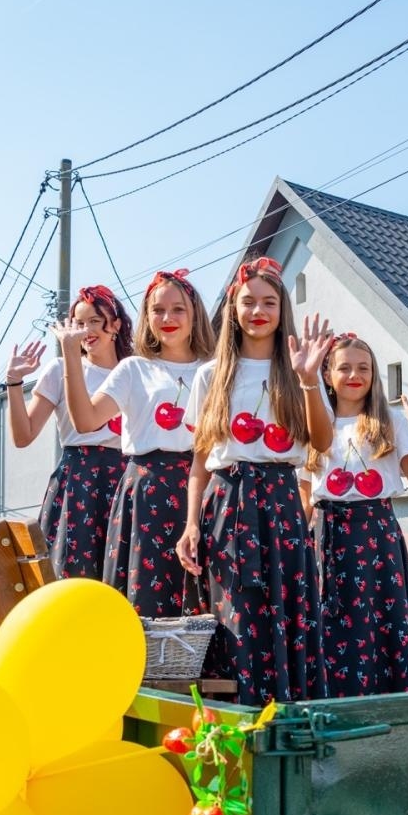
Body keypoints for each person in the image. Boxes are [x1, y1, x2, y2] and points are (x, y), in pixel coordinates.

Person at [175, 257, 336, 704]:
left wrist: (307, 382)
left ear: (283, 309)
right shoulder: (211, 375)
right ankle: (235, 722)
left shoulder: (300, 371)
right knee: (234, 617)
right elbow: (199, 464)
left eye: (269, 302)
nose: (258, 310)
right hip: (227, 504)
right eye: (248, 301)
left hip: (283, 504)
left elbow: (321, 442)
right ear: (233, 308)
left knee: (284, 615)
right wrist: (191, 524)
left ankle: (285, 719)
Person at [60, 268, 216, 616]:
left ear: (195, 315)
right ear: (146, 316)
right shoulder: (133, 369)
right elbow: (85, 420)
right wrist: (71, 354)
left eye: (178, 309)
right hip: (145, 491)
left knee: (200, 598)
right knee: (143, 602)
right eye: (157, 310)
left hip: (202, 488)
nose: (167, 318)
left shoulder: (216, 369)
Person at [301, 334, 408, 697]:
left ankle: (387, 705)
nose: (354, 375)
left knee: (380, 629)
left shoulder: (389, 420)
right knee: (330, 628)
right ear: (328, 373)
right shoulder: (316, 422)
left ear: (374, 374)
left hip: (375, 536)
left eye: (363, 367)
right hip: (327, 537)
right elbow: (304, 494)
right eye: (344, 367)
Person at [7, 284, 132, 579]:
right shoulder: (59, 369)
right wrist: (13, 382)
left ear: (115, 325)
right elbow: (23, 436)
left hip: (127, 478)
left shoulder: (135, 371)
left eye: (94, 321)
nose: (85, 331)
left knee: (125, 576)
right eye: (78, 323)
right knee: (74, 574)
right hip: (79, 480)